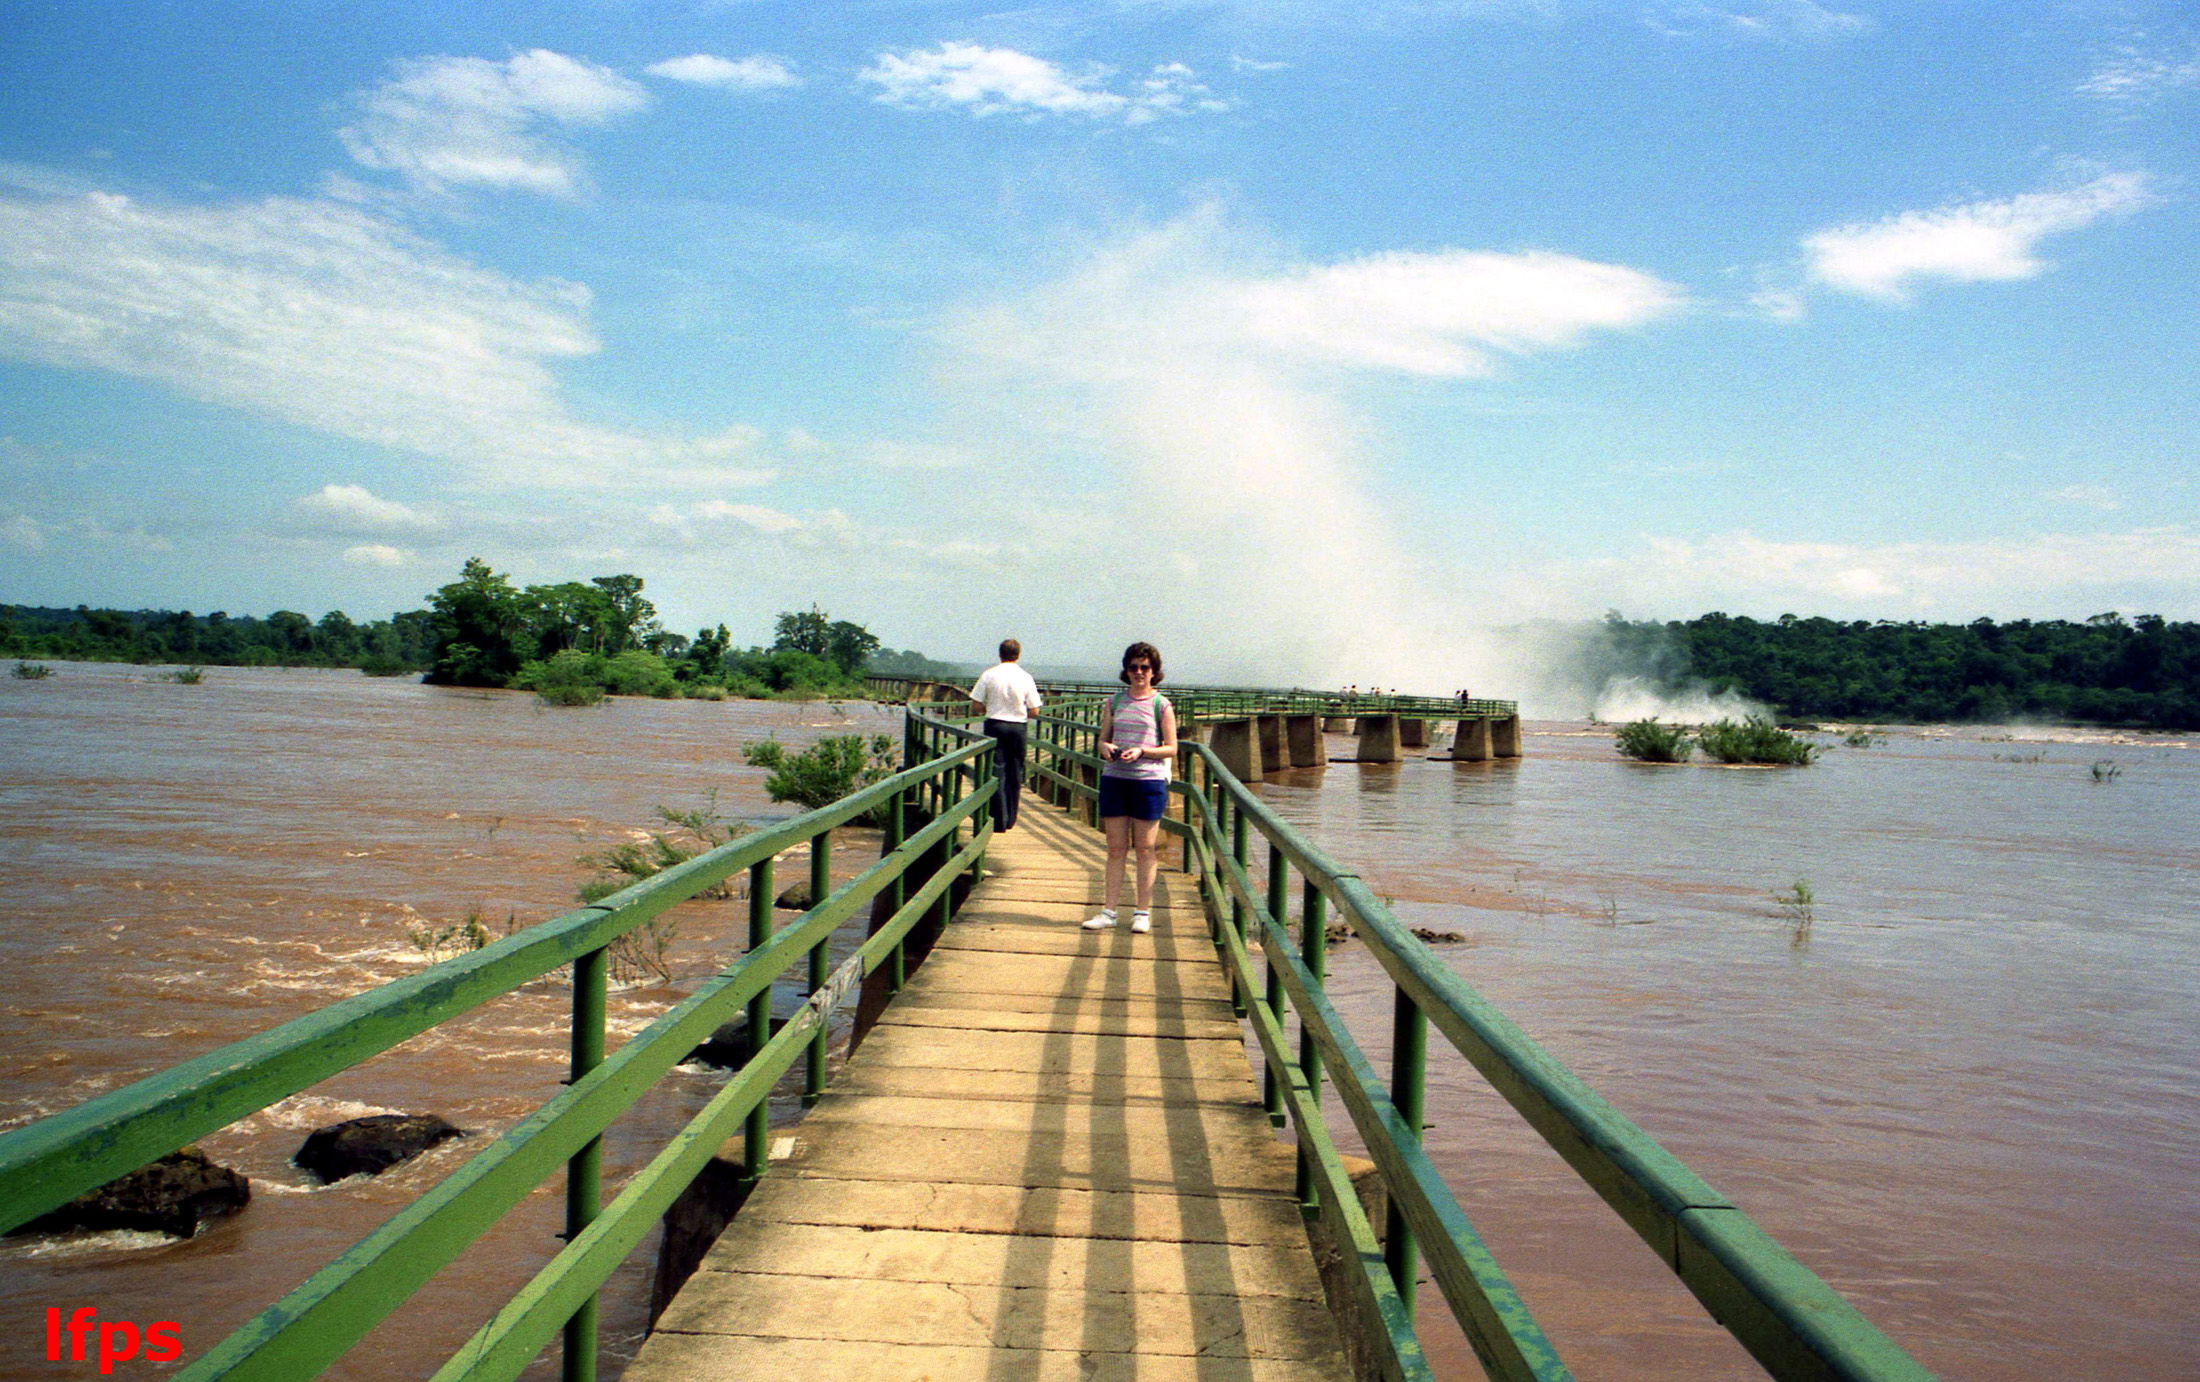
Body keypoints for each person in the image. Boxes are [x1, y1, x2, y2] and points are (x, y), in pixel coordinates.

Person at [1085, 642, 1177, 936]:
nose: (1139, 672)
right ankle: (1109, 911)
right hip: (1115, 779)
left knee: (1146, 848)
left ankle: (1142, 912)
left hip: (1148, 782)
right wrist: (1107, 748)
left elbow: (1172, 748)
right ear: (1126, 670)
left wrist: (1142, 751)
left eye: (1145, 668)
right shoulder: (1113, 702)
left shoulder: (1161, 704)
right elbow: (1101, 741)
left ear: (1154, 672)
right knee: (1115, 848)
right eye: (1133, 667)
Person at [969, 639, 1043, 831]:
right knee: (1015, 771)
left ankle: (998, 819)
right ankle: (1011, 818)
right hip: (1018, 727)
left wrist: (990, 708)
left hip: (995, 724)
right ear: (1018, 655)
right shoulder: (1026, 677)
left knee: (997, 770)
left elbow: (976, 704)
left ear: (1000, 654)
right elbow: (1035, 711)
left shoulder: (989, 674)